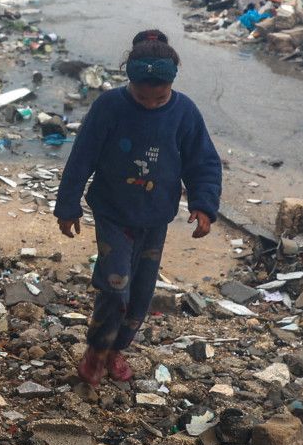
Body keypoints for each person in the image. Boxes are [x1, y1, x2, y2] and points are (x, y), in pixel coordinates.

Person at [54, 30, 222, 386]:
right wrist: (67, 205)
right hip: (113, 210)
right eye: (141, 96)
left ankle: (118, 349)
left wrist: (203, 205)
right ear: (128, 81)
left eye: (158, 97)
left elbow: (202, 161)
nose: (148, 103)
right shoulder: (109, 106)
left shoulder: (185, 112)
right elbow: (82, 156)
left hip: (156, 215)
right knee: (115, 285)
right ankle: (97, 350)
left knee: (142, 293)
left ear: (171, 84)